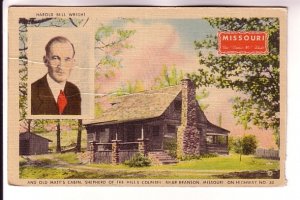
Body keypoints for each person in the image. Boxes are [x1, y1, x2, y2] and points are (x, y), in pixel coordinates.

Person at [31, 36, 81, 115]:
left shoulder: (74, 91)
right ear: (46, 61)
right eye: (55, 58)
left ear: (73, 63)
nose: (61, 66)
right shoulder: (32, 91)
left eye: (67, 59)